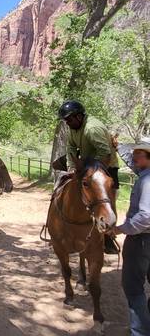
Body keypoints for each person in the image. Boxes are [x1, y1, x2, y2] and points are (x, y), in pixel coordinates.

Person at [57, 100, 120, 254]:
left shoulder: (92, 129)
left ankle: (108, 236)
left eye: (69, 119)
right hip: (85, 165)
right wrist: (73, 166)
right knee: (65, 179)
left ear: (79, 116)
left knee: (106, 199)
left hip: (106, 166)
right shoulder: (74, 127)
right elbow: (71, 147)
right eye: (65, 120)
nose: (67, 122)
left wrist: (89, 168)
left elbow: (105, 153)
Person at [113, 138, 150, 336]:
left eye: (139, 155)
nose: (134, 158)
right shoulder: (144, 175)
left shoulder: (146, 182)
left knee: (133, 286)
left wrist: (122, 229)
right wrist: (118, 147)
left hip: (141, 240)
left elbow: (146, 216)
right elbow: (130, 162)